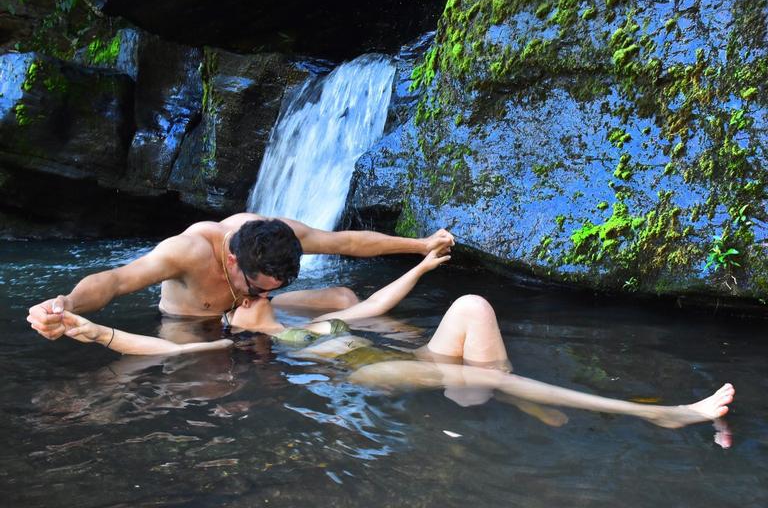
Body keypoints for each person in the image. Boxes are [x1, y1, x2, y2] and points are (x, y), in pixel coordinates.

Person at [58, 251, 735, 433]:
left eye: (265, 289)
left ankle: (507, 396)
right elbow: (165, 352)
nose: (260, 295)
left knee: (471, 303)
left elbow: (372, 304)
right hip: (374, 374)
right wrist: (92, 328)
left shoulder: (284, 311)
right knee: (493, 378)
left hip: (397, 356)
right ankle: (663, 415)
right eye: (255, 292)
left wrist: (419, 266)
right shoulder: (236, 336)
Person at [27, 213, 455, 340]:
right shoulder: (188, 251)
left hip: (242, 316)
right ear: (233, 261)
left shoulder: (273, 233)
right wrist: (65, 305)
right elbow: (117, 281)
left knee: (344, 297)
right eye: (259, 288)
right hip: (190, 327)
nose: (265, 296)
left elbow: (346, 243)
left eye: (275, 290)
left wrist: (420, 246)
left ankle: (418, 346)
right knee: (212, 386)